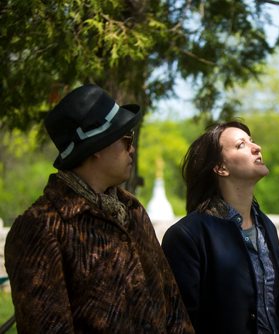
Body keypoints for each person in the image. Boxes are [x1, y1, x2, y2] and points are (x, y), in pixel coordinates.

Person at [5, 84, 194, 333]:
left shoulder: (131, 209)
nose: (132, 149)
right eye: (126, 140)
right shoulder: (41, 226)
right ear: (96, 147)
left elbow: (174, 308)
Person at [161, 121, 279, 334]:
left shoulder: (266, 226)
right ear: (220, 168)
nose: (256, 148)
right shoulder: (187, 236)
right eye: (241, 145)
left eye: (252, 141)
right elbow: (180, 323)